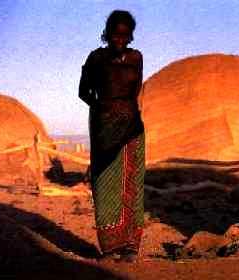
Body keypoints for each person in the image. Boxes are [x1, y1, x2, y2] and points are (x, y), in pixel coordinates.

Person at [79, 10, 145, 262]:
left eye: (125, 36)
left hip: (132, 127)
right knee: (105, 183)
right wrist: (102, 109)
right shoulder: (96, 58)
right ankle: (110, 247)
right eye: (116, 35)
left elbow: (135, 89)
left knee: (132, 184)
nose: (120, 40)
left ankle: (130, 246)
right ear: (107, 34)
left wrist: (123, 111)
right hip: (104, 127)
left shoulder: (136, 57)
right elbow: (83, 91)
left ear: (130, 36)